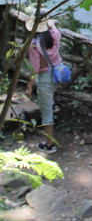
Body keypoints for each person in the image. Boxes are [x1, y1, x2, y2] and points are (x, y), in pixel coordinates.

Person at [25, 14, 62, 153]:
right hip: (58, 73)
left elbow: (34, 70)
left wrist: (29, 87)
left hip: (46, 78)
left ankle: (49, 145)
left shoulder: (34, 44)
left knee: (46, 113)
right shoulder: (55, 34)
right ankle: (53, 105)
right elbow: (54, 28)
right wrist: (51, 23)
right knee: (49, 100)